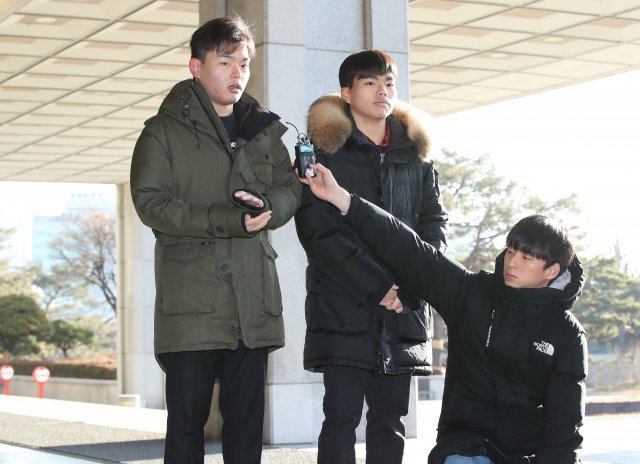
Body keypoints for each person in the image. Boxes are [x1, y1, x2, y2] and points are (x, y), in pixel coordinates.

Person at [301, 163, 588, 464]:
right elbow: (410, 249)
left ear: (552, 271)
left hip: (524, 456)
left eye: (526, 257)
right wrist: (342, 199)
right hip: (466, 449)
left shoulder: (567, 334)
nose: (512, 262)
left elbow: (564, 424)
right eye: (511, 251)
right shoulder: (472, 294)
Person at [129, 15, 301, 464]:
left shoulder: (264, 131)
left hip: (252, 303)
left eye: (244, 63)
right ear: (196, 66)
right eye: (225, 62)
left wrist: (270, 207)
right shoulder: (162, 131)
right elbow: (150, 203)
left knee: (246, 428)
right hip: (192, 306)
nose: (237, 73)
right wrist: (227, 219)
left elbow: (290, 188)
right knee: (186, 428)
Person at [294, 50, 448, 464]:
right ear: (346, 93)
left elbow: (434, 224)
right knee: (340, 418)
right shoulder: (324, 155)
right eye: (370, 83)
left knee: (390, 421)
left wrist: (414, 284)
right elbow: (318, 233)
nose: (383, 91)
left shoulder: (416, 155)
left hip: (404, 310)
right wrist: (378, 287)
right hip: (344, 308)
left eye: (389, 83)